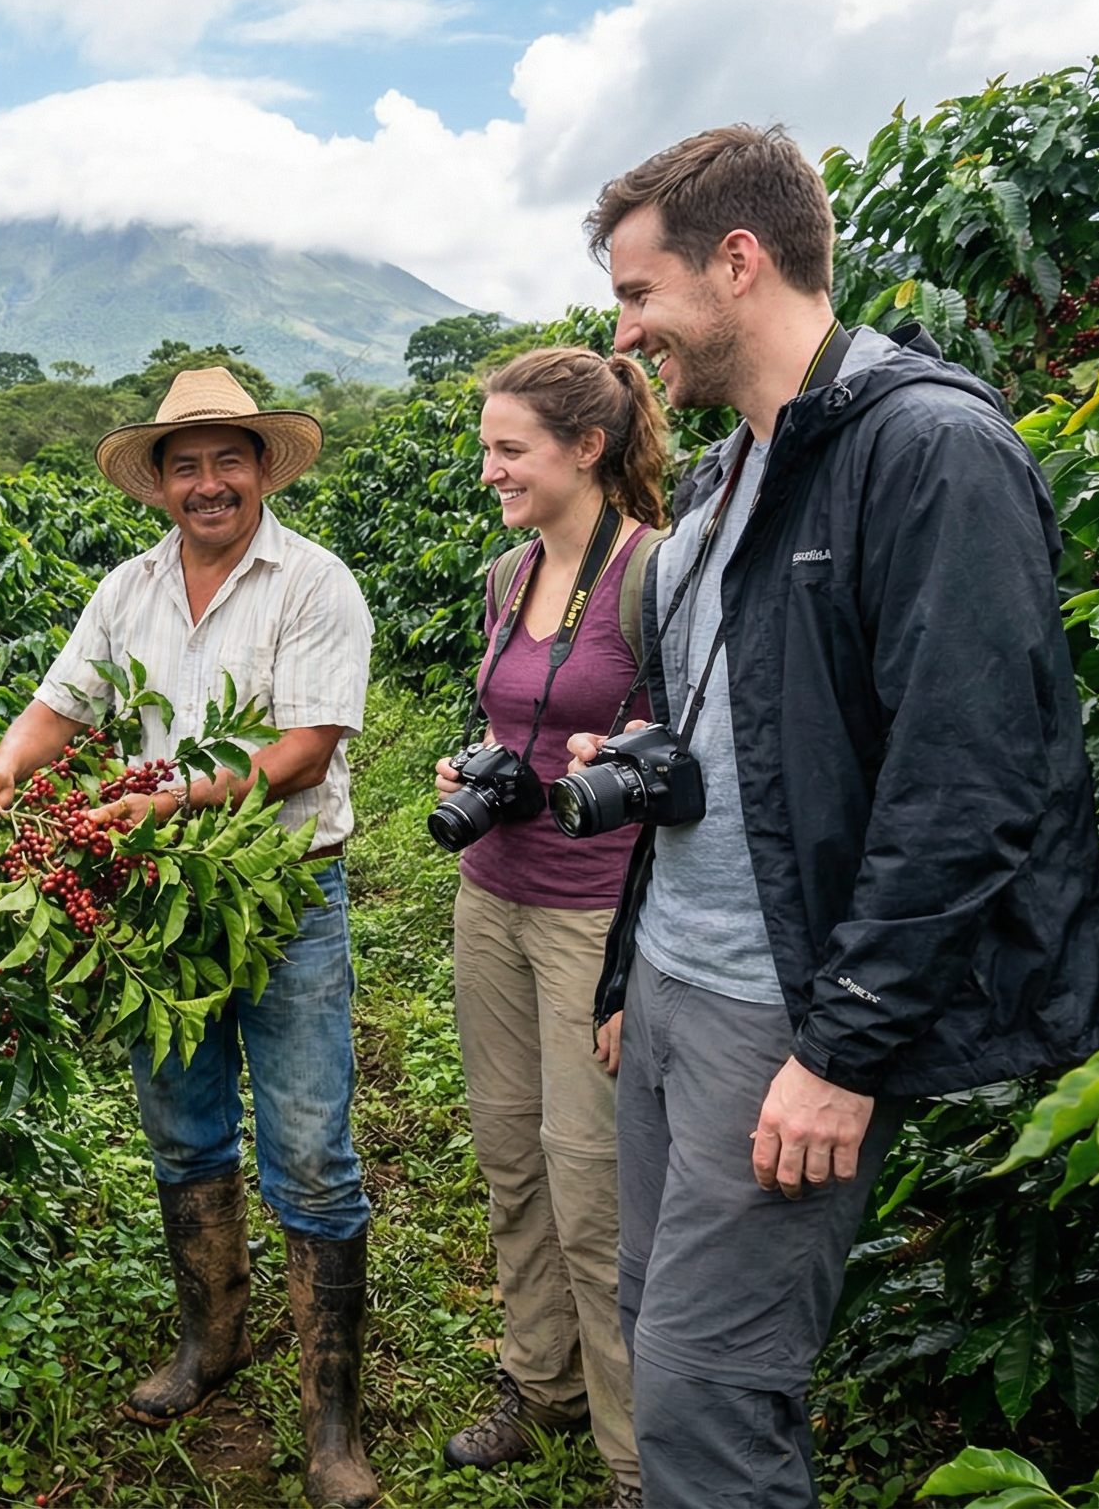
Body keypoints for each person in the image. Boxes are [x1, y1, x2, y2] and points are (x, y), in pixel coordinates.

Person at [570, 125, 1099, 1508]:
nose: (626, 335)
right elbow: (733, 742)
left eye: (641, 296)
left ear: (737, 263)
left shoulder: (927, 449)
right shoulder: (722, 477)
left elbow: (973, 776)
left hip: (787, 1015)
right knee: (657, 1324)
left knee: (704, 1397)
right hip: (682, 991)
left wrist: (844, 1048)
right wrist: (635, 960)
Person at [0, 367, 380, 1509]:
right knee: (182, 1124)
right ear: (158, 485)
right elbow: (63, 705)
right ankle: (212, 1342)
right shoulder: (125, 592)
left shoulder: (314, 584)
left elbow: (302, 750)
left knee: (309, 1146)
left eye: (225, 461)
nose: (206, 484)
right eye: (183, 466)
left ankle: (334, 1429)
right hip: (158, 903)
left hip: (282, 892)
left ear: (259, 469)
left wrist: (170, 801)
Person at [429, 347, 671, 1509]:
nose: (489, 471)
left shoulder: (654, 577)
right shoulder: (502, 574)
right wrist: (471, 766)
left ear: (587, 449)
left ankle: (636, 1455)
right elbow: (512, 714)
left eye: (510, 450)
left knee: (593, 1188)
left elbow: (695, 757)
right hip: (493, 896)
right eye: (486, 448)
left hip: (595, 920)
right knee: (510, 1156)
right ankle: (541, 1385)